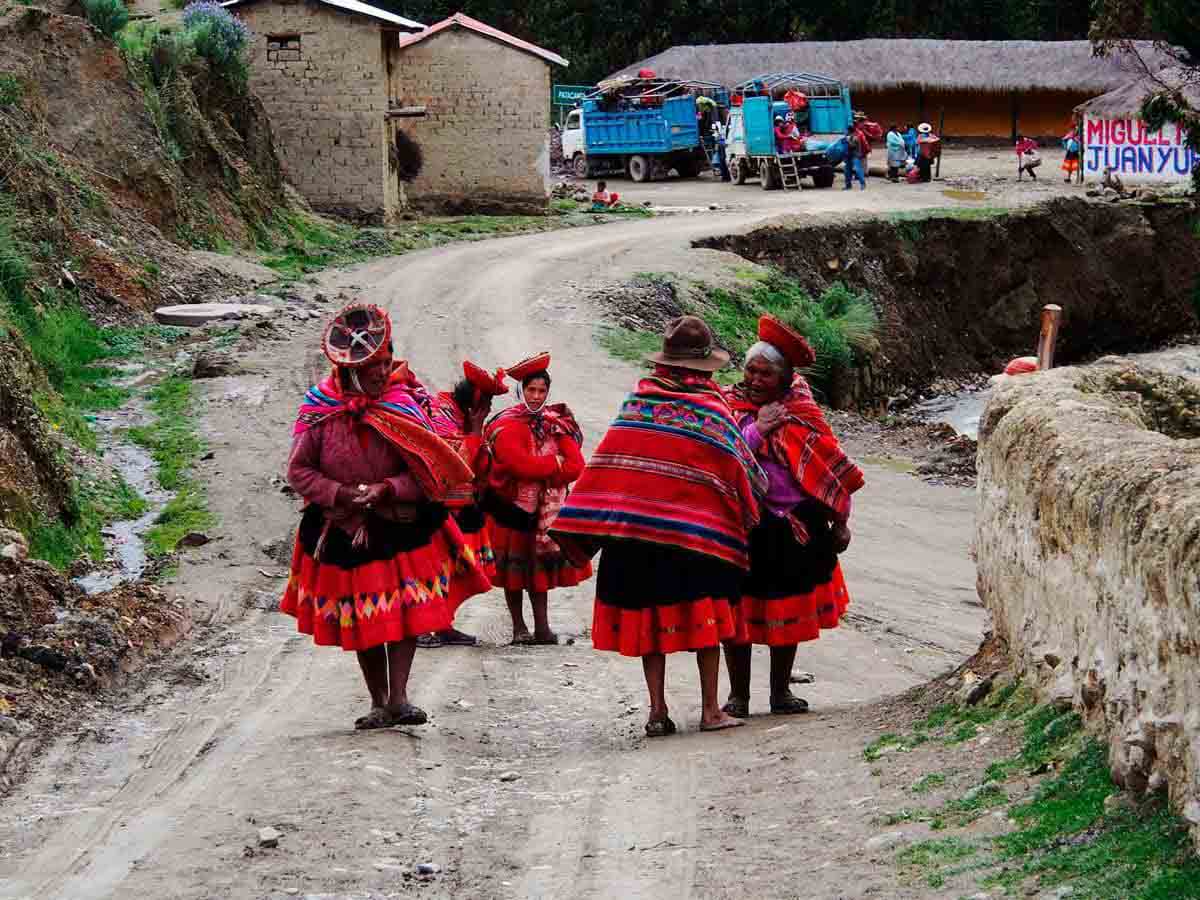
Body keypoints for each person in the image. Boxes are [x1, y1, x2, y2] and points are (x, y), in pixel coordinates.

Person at [551, 316, 768, 737]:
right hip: (697, 537)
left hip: (637, 537)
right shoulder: (711, 409)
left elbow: (611, 465)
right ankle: (709, 710)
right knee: (707, 619)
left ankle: (657, 710)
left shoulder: (639, 402)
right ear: (703, 367)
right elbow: (742, 470)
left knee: (651, 625)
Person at [281, 303, 486, 729]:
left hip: (401, 522)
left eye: (387, 363)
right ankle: (378, 701)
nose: (383, 371)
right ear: (352, 369)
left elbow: (429, 469)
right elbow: (299, 471)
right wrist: (338, 494)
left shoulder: (403, 404)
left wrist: (387, 489)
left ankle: (400, 697)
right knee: (364, 616)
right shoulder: (322, 410)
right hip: (345, 528)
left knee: (406, 610)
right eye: (376, 365)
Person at [720, 316, 865, 717]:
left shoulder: (802, 411)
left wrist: (841, 521)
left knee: (787, 610)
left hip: (794, 527)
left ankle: (780, 692)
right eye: (750, 369)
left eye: (765, 373)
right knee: (739, 613)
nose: (755, 379)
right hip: (743, 525)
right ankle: (738, 696)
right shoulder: (730, 405)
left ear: (785, 378)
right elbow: (723, 459)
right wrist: (757, 430)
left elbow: (829, 467)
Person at [482, 353, 591, 645]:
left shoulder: (555, 422)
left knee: (537, 569)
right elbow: (520, 466)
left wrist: (545, 470)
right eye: (531, 390)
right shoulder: (506, 425)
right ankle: (519, 628)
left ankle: (542, 628)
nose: (536, 396)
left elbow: (577, 466)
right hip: (510, 507)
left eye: (542, 391)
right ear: (521, 390)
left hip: (540, 510)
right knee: (513, 570)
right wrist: (555, 465)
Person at [420, 361, 511, 647]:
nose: (488, 407)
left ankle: (443, 624)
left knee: (454, 567)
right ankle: (422, 627)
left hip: (461, 506)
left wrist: (476, 428)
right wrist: (474, 430)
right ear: (474, 399)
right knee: (431, 568)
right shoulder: (440, 413)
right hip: (435, 506)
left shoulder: (465, 417)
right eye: (486, 401)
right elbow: (456, 464)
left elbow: (482, 467)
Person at [844, 123, 867, 190]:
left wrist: (847, 140)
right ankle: (848, 185)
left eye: (846, 130)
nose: (845, 132)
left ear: (849, 131)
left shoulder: (855, 138)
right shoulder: (849, 137)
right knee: (847, 171)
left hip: (855, 156)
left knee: (857, 169)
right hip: (848, 156)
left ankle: (863, 184)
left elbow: (852, 146)